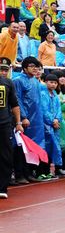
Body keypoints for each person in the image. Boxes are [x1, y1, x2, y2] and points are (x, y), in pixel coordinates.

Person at [0, 58, 22, 199]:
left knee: (5, 156)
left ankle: (2, 187)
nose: (3, 72)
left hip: (4, 124)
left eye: (5, 69)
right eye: (1, 69)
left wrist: (18, 122)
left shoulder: (9, 83)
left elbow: (14, 104)